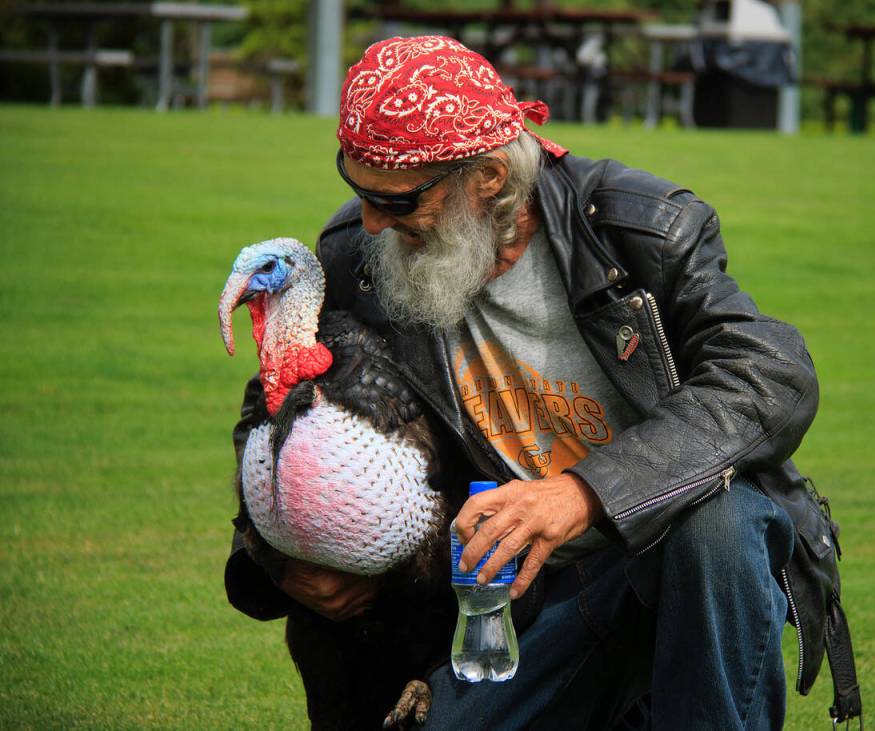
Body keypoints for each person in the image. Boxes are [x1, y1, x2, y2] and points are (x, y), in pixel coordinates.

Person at [226, 35, 825, 730]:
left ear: (485, 177)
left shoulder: (638, 228)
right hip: (509, 612)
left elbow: (774, 374)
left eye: (397, 200)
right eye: (358, 191)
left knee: (722, 521)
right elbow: (297, 415)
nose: (370, 221)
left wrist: (583, 494)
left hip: (667, 580)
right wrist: (274, 559)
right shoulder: (359, 257)